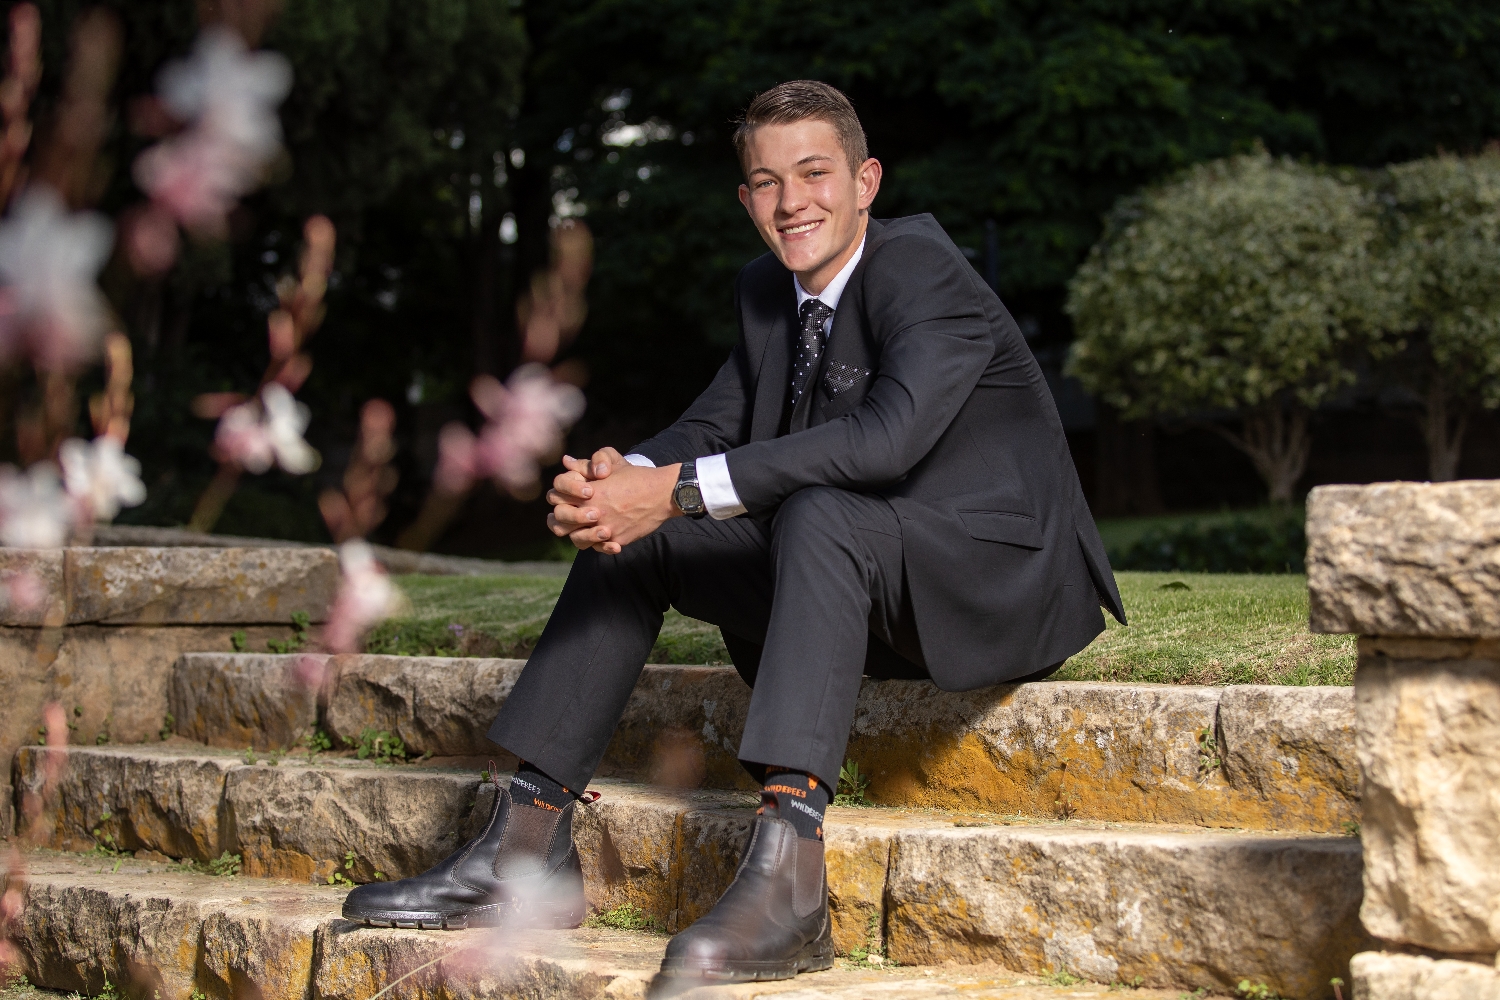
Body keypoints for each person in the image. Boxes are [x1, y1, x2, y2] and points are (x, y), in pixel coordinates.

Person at [343, 79, 1125, 984]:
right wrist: (620, 483)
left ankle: (789, 888)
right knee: (647, 533)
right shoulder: (768, 293)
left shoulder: (920, 267)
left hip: (993, 584)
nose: (793, 202)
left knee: (818, 510)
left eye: (815, 172)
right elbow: (710, 431)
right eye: (765, 181)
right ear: (746, 199)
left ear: (866, 181)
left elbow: (884, 441)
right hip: (858, 586)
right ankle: (524, 852)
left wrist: (671, 489)